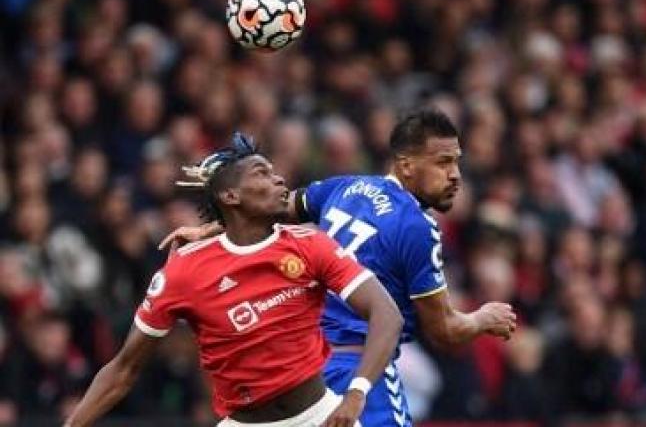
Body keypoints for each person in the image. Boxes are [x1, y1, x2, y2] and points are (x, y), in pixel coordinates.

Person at [161, 111, 517, 426]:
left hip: (305, 377)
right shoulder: (417, 227)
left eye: (457, 163)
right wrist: (484, 318)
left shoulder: (347, 186)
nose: (455, 175)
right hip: (360, 369)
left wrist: (212, 229)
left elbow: (269, 211)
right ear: (406, 165)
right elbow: (444, 331)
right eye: (443, 162)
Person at [64, 133, 404, 427]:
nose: (279, 179)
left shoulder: (310, 244)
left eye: (274, 172)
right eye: (262, 173)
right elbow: (124, 368)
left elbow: (386, 314)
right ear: (230, 197)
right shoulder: (184, 271)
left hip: (322, 414)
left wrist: (356, 393)